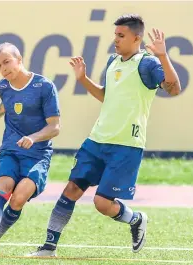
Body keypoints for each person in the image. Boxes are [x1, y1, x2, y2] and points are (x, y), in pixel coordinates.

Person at [28, 14, 181, 257]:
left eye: (121, 36)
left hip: (126, 146)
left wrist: (163, 55)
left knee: (102, 204)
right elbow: (105, 96)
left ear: (136, 38)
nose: (116, 40)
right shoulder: (113, 62)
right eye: (115, 35)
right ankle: (48, 247)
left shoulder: (148, 63)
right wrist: (83, 79)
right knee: (71, 190)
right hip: (96, 141)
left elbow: (174, 89)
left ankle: (136, 219)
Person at [0, 42, 61, 255]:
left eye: (7, 62)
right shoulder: (2, 87)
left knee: (19, 198)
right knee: (3, 187)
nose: (3, 69)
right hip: (11, 150)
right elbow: (6, 104)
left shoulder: (44, 86)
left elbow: (55, 127)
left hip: (38, 154)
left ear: (19, 60)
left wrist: (33, 137)